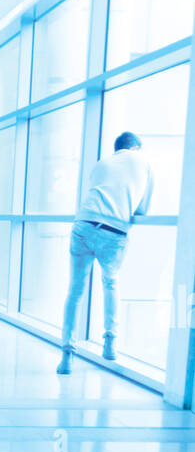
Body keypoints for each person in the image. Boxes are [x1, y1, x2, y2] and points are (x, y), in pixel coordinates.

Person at [57, 131, 153, 374]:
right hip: (113, 229)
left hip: (85, 223)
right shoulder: (143, 163)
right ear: (135, 148)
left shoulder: (102, 164)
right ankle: (110, 340)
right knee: (110, 282)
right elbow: (142, 208)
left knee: (75, 290)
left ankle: (67, 355)